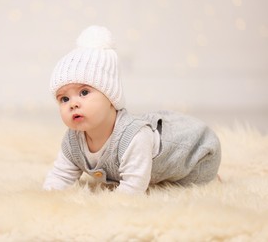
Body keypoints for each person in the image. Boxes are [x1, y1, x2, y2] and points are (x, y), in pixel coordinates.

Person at [43, 25, 221, 194]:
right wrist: (48, 196)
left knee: (193, 183)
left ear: (111, 97)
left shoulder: (134, 137)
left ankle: (209, 175)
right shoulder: (72, 141)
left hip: (196, 154)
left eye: (84, 92)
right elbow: (60, 175)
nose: (72, 104)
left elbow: (133, 188)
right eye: (64, 99)